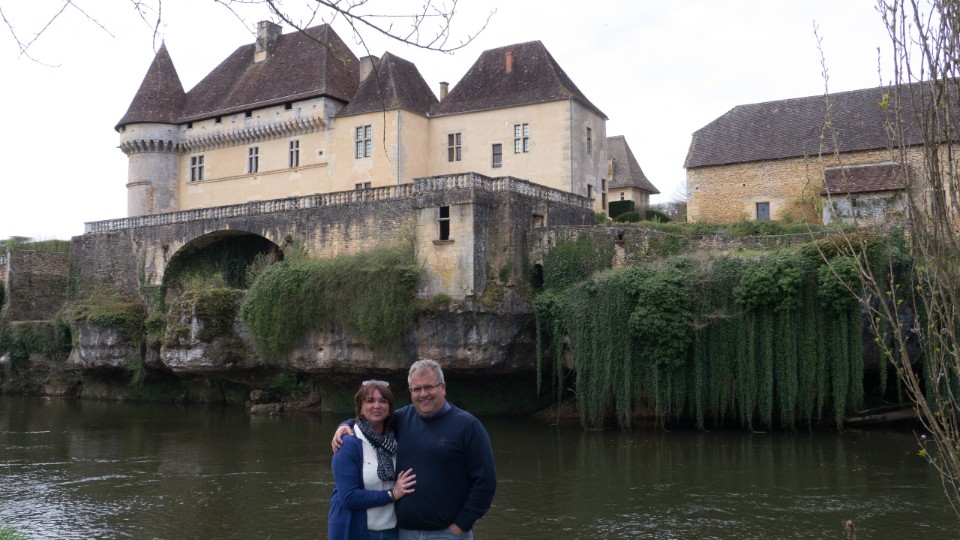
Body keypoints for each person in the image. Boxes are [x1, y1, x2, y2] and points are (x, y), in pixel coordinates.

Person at [333, 360, 496, 539]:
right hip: (404, 532)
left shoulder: (468, 426)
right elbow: (373, 418)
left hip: (447, 533)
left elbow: (485, 481)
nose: (423, 394)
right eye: (417, 389)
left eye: (429, 387)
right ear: (410, 391)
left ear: (443, 387)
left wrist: (462, 524)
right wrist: (345, 425)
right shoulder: (402, 419)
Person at [328, 380, 417, 540]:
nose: (377, 406)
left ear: (389, 409)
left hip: (392, 532)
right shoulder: (347, 444)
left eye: (383, 401)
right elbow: (349, 497)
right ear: (360, 408)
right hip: (357, 531)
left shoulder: (396, 437)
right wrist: (392, 494)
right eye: (370, 401)